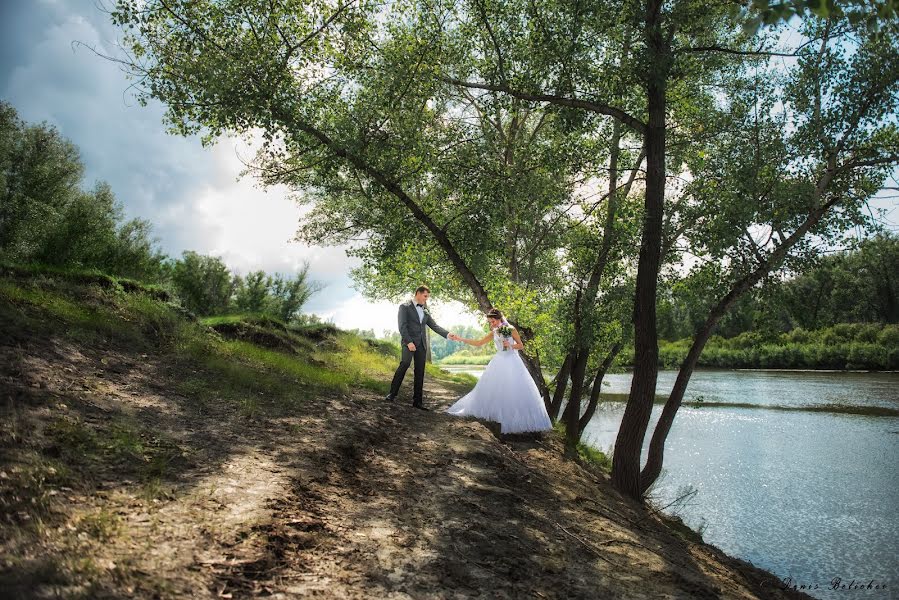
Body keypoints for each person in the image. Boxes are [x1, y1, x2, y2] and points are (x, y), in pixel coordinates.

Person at [446, 308, 552, 434]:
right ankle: (496, 417)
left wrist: (510, 346)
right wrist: (461, 339)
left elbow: (521, 345)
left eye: (493, 322)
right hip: (499, 361)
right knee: (495, 388)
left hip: (512, 361)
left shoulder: (511, 329)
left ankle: (515, 420)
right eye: (490, 322)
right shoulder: (494, 332)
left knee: (513, 389)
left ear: (499, 319)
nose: (492, 324)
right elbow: (479, 343)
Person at [385, 285, 460, 410]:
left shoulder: (425, 309)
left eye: (427, 297)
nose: (426, 299)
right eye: (425, 296)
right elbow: (402, 326)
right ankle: (392, 394)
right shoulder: (404, 307)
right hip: (408, 342)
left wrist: (447, 334)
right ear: (418, 293)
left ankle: (417, 402)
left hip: (421, 345)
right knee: (404, 364)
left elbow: (434, 326)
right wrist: (409, 342)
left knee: (420, 372)